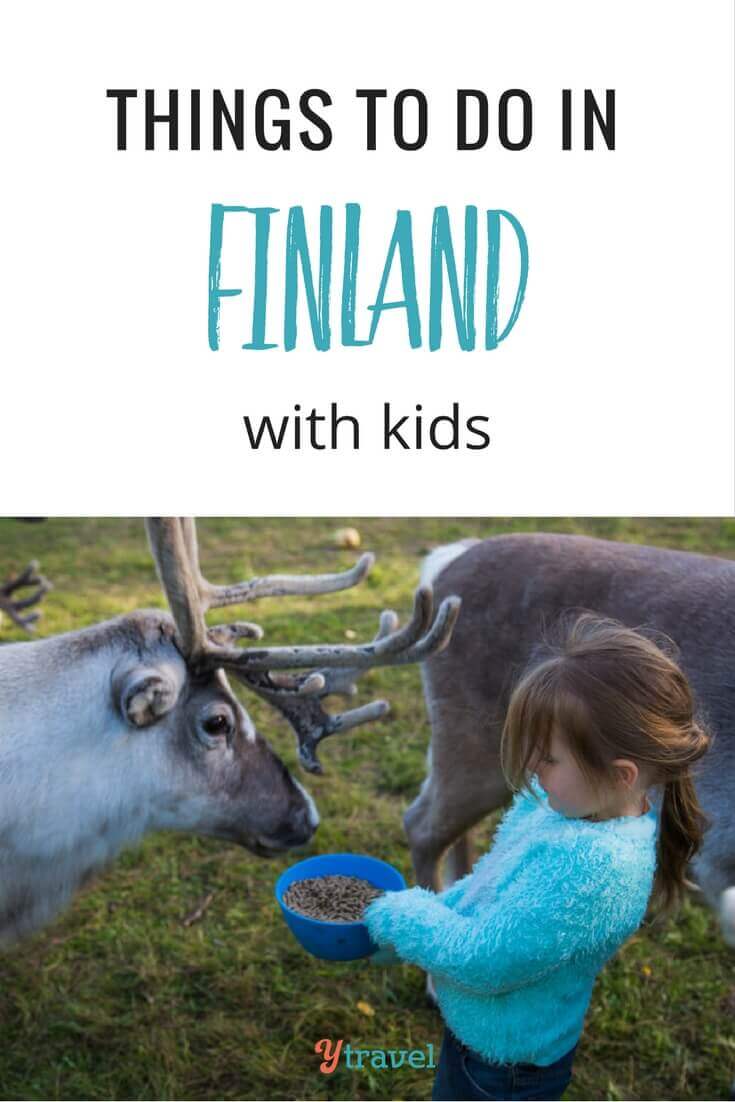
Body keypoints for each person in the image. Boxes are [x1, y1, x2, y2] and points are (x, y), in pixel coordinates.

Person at [363, 613, 712, 1101]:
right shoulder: (574, 811)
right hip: (480, 1033)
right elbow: (492, 888)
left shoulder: (596, 870)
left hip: (505, 1068)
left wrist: (401, 917)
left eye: (548, 758)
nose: (531, 766)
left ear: (621, 775)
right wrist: (425, 920)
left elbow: (486, 960)